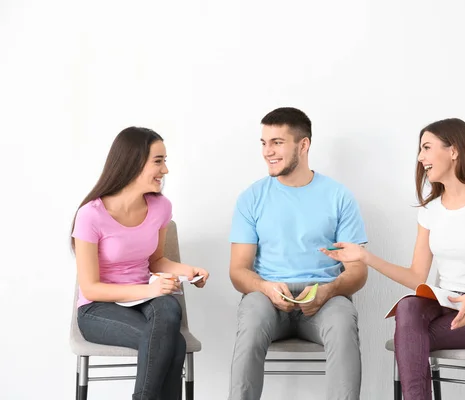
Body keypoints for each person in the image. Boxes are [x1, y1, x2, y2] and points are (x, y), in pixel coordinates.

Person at [322, 118, 465, 400]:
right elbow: (416, 276)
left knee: (409, 338)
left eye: (427, 148)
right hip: (447, 305)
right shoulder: (430, 211)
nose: (421, 158)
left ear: (453, 150)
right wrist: (364, 256)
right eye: (420, 151)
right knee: (408, 308)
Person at [228, 107, 368, 400]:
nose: (268, 151)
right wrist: (265, 287)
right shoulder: (251, 198)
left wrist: (328, 291)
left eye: (277, 142)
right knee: (251, 324)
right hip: (267, 296)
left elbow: (357, 271)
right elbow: (238, 271)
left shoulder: (339, 197)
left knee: (343, 325)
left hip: (324, 297)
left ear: (303, 145)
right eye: (264, 143)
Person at [71, 127, 210, 400]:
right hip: (98, 309)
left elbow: (156, 260)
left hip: (143, 302)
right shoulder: (90, 215)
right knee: (174, 343)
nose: (166, 170)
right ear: (133, 162)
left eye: (165, 161)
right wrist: (150, 290)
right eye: (158, 161)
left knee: (169, 306)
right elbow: (91, 288)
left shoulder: (161, 207)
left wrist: (188, 271)